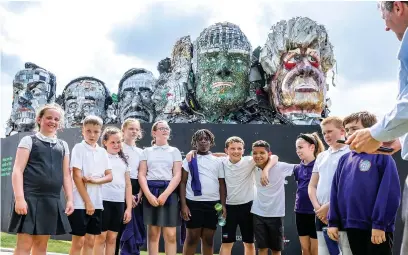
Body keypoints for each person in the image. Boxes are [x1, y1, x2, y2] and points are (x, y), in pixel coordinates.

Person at [346, 2, 408, 254]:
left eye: (385, 17)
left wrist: (376, 134)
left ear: (399, 7)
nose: (385, 27)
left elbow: (387, 193)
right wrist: (400, 140)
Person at [328, 111, 401, 255]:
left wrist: (380, 224)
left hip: (376, 228)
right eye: (347, 130)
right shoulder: (344, 160)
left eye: (354, 129)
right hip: (351, 225)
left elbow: (388, 193)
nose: (349, 133)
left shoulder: (382, 156)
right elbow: (335, 192)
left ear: (369, 131)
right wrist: (333, 222)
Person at [8, 103, 74, 255]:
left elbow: (66, 175)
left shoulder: (63, 146)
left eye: (56, 119)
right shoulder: (28, 141)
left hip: (51, 201)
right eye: (49, 118)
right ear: (39, 119)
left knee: (41, 246)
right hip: (29, 198)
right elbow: (17, 171)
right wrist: (19, 199)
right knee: (24, 245)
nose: (53, 121)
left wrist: (70, 199)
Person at [68, 115, 113, 255]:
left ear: (100, 132)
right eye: (88, 131)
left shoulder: (102, 152)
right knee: (79, 242)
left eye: (96, 132)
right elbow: (76, 176)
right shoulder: (79, 148)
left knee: (91, 241)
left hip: (97, 202)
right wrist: (88, 202)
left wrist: (95, 181)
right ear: (83, 131)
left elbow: (109, 176)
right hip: (80, 203)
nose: (92, 135)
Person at [308, 116, 352, 255]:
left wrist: (329, 207)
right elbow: (312, 186)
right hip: (321, 216)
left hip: (342, 214)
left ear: (342, 131)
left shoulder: (351, 153)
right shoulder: (321, 156)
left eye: (330, 131)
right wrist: (318, 209)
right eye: (324, 132)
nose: (326, 135)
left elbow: (350, 187)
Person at [138, 120, 182, 255]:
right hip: (151, 192)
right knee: (153, 233)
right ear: (154, 132)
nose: (165, 130)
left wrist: (165, 194)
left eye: (167, 128)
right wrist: (148, 195)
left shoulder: (174, 151)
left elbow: (177, 175)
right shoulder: (146, 151)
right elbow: (141, 174)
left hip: (169, 193)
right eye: (162, 128)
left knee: (170, 234)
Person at [180, 129, 227, 255]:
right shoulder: (189, 160)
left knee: (208, 239)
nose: (203, 141)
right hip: (193, 204)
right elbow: (183, 182)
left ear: (211, 142)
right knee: (192, 239)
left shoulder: (218, 161)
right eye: (199, 139)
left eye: (206, 139)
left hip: (213, 205)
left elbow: (222, 184)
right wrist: (183, 205)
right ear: (194, 142)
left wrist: (223, 205)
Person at [250, 140, 296, 255]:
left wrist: (266, 169)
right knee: (262, 249)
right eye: (255, 153)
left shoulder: (280, 167)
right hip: (257, 213)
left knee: (276, 249)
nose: (258, 156)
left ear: (269, 154)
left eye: (262, 153)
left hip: (276, 214)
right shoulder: (251, 165)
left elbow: (302, 167)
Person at [93, 127, 133, 255]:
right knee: (100, 238)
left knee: (112, 238)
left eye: (119, 142)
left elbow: (128, 185)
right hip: (102, 202)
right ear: (105, 142)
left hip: (119, 203)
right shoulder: (99, 156)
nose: (116, 145)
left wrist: (128, 209)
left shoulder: (124, 161)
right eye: (112, 142)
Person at [116, 118, 146, 255]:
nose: (134, 131)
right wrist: (126, 195)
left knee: (134, 228)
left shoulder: (142, 152)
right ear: (123, 130)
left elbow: (143, 175)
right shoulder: (118, 148)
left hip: (136, 191)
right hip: (119, 189)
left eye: (136, 129)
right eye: (131, 128)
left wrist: (139, 194)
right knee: (117, 228)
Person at [293, 133, 325, 255]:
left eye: (300, 147)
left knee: (315, 250)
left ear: (312, 147)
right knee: (305, 250)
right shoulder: (297, 168)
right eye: (296, 148)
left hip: (316, 212)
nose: (298, 151)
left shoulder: (320, 165)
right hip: (300, 211)